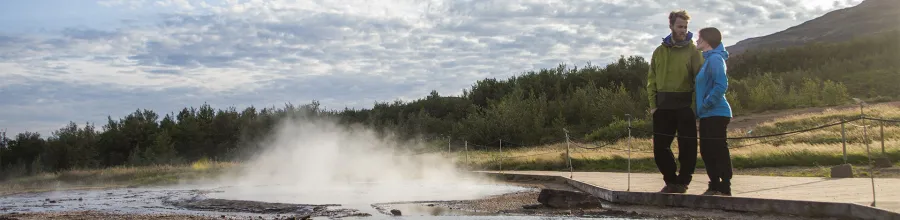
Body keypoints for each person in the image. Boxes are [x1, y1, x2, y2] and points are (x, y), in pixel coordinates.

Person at [646, 10, 704, 193]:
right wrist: (653, 106)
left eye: (686, 27)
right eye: (680, 26)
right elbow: (651, 81)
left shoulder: (693, 51)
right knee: (660, 148)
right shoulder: (658, 51)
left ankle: (683, 182)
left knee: (688, 147)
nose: (683, 30)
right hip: (662, 106)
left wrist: (696, 107)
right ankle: (671, 181)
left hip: (685, 105)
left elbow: (700, 79)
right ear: (671, 26)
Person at [694, 27, 734, 196]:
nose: (696, 41)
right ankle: (715, 184)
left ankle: (724, 186)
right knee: (707, 150)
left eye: (699, 38)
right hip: (707, 114)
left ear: (707, 41)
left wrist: (706, 104)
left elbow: (721, 85)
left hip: (716, 112)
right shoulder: (709, 60)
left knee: (717, 149)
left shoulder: (716, 59)